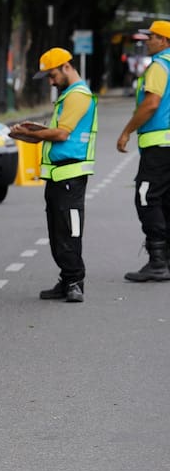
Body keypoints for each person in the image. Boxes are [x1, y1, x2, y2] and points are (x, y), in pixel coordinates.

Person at [9, 47, 97, 302]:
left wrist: (33, 133)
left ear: (66, 67)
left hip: (70, 174)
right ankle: (67, 279)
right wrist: (25, 134)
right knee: (57, 232)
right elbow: (52, 134)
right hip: (58, 175)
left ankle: (75, 282)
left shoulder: (78, 95)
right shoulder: (68, 95)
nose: (50, 80)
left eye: (52, 75)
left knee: (69, 231)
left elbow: (61, 134)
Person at [117, 20, 170, 282]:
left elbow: (151, 104)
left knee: (146, 197)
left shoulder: (160, 65)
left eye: (153, 37)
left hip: (159, 146)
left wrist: (127, 130)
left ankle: (158, 260)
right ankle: (167, 258)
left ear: (165, 42)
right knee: (166, 199)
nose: (148, 41)